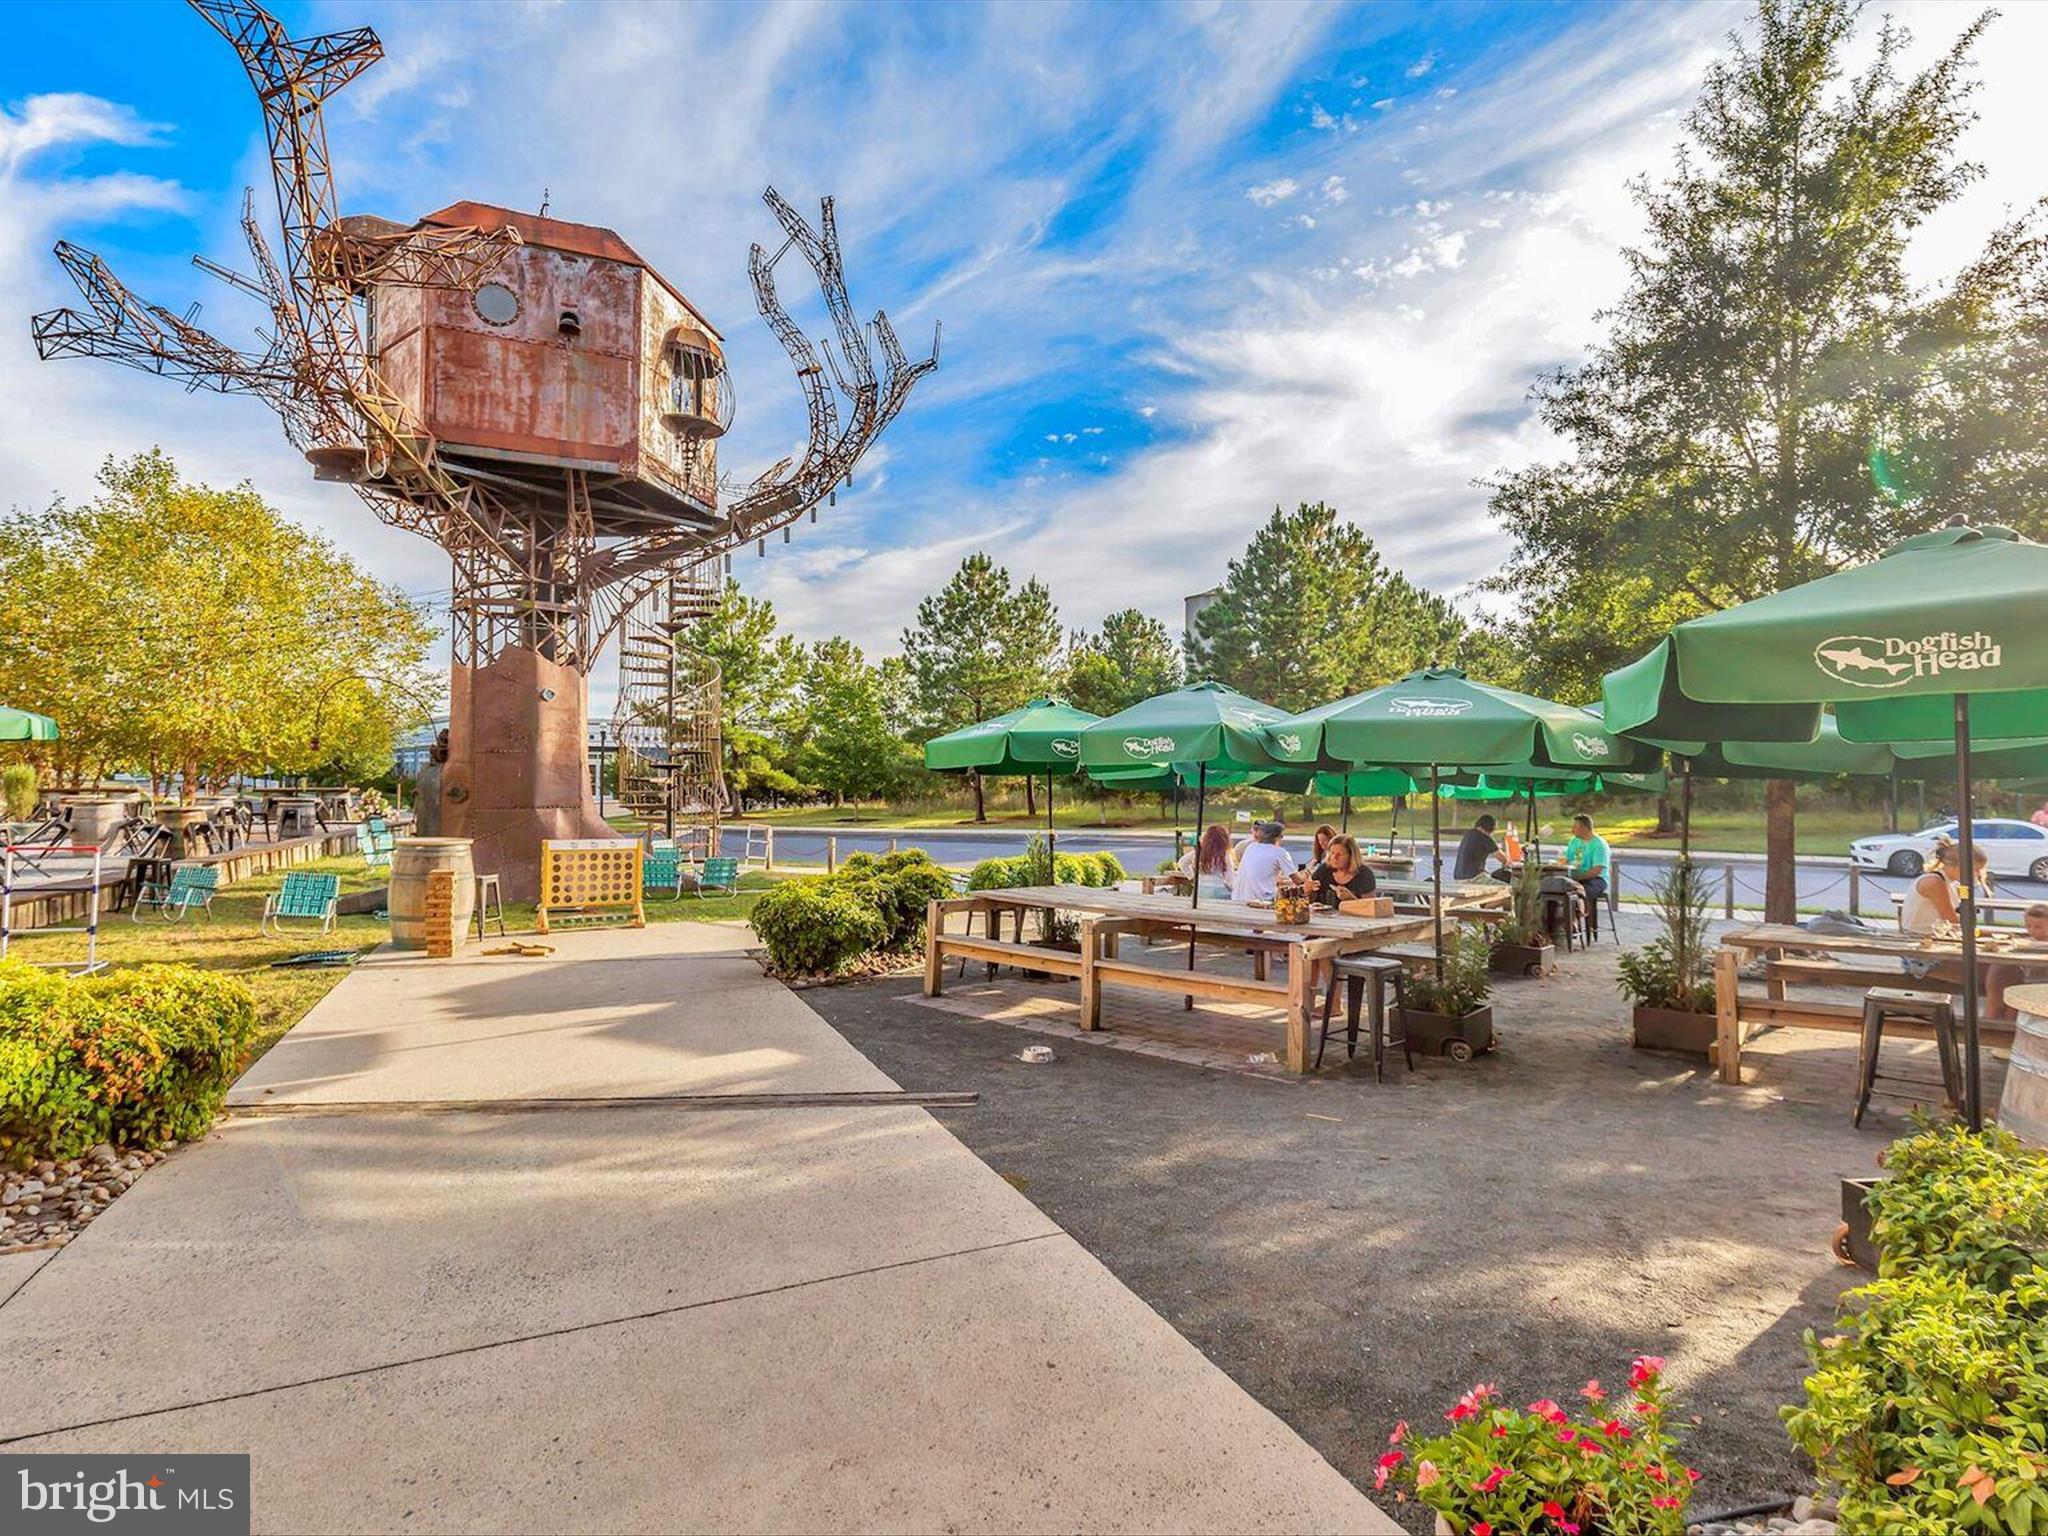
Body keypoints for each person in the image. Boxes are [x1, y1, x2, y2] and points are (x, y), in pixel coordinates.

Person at [1986, 902, 2048, 1020]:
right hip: (2026, 982)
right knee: (2010, 998)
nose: (2032, 930)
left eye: (2038, 927)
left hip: (2040, 986)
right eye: (2029, 926)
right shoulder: (2027, 942)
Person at [1563, 813, 1610, 938]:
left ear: (1584, 828)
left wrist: (1578, 878)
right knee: (1556, 889)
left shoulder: (1598, 844)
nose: (1572, 830)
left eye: (1575, 827)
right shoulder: (1574, 841)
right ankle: (1558, 924)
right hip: (1575, 877)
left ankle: (1574, 922)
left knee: (1580, 892)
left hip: (1596, 879)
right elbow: (1566, 860)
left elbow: (1597, 870)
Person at [1231, 820, 1297, 904]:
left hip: (1238, 897)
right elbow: (1297, 880)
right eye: (1281, 836)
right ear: (1277, 837)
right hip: (1262, 900)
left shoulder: (1251, 847)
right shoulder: (1280, 852)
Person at [1309, 832, 1376, 907]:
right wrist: (1308, 891)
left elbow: (1370, 908)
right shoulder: (1324, 869)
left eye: (1340, 854)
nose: (1335, 857)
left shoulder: (1364, 874)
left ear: (1351, 856)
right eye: (1332, 853)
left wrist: (1351, 899)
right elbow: (1310, 901)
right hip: (1324, 917)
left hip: (1353, 918)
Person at [1176, 823, 1235, 902]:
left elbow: (1182, 862)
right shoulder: (1224, 856)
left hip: (1200, 891)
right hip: (1219, 893)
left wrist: (1192, 877)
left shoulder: (1198, 853)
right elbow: (1230, 881)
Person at [1453, 813, 1501, 882]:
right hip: (1474, 878)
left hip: (1458, 878)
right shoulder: (1484, 838)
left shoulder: (1468, 834)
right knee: (1506, 887)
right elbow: (1502, 858)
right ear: (1490, 827)